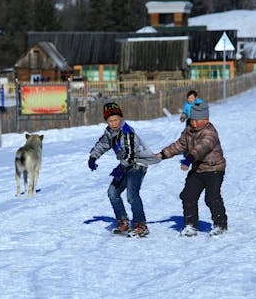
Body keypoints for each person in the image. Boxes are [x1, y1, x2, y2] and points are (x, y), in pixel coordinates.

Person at [156, 101, 228, 237]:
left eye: (197, 120)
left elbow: (202, 147)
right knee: (188, 196)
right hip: (198, 169)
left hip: (214, 169)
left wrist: (189, 159)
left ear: (206, 120)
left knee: (212, 197)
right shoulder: (189, 131)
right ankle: (191, 225)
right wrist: (163, 154)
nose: (194, 123)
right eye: (192, 119)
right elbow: (179, 145)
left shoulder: (210, 133)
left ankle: (220, 224)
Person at [88, 102, 159, 237]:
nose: (114, 123)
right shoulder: (109, 132)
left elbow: (131, 154)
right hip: (125, 165)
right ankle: (123, 222)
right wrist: (92, 157)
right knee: (112, 192)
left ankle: (141, 225)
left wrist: (121, 167)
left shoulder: (127, 131)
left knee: (132, 195)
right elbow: (102, 144)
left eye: (116, 120)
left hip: (138, 163)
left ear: (121, 118)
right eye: (110, 121)